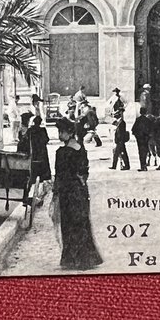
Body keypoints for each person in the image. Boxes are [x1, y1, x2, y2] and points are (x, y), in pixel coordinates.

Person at [51, 118, 103, 270]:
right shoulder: (80, 148)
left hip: (67, 192)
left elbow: (59, 175)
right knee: (81, 222)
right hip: (80, 191)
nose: (59, 135)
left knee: (69, 224)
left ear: (69, 132)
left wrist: (56, 191)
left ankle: (72, 259)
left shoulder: (61, 152)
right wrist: (81, 181)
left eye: (61, 132)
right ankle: (85, 258)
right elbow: (85, 170)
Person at [26, 114, 52, 191]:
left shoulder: (30, 130)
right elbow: (47, 139)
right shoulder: (42, 130)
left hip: (33, 153)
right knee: (43, 176)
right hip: (42, 153)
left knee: (32, 176)